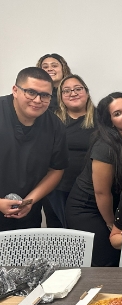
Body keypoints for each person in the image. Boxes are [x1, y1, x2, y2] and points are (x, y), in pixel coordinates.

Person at [66, 92, 122, 266]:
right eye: (117, 113)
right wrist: (112, 224)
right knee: (107, 261)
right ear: (110, 121)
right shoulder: (105, 148)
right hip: (89, 209)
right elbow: (102, 193)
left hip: (115, 205)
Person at [0, 67, 68, 231]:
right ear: (15, 90)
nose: (38, 100)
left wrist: (29, 201)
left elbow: (56, 170)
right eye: (30, 92)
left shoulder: (55, 126)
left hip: (26, 214)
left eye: (45, 95)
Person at [44, 75, 96, 228]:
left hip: (90, 192)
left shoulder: (102, 119)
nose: (73, 93)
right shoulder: (51, 121)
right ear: (60, 97)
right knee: (60, 240)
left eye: (78, 89)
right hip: (57, 190)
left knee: (90, 238)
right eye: (66, 91)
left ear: (86, 92)